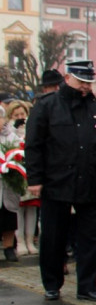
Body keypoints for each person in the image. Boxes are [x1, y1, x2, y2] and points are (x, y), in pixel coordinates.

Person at [24, 61, 96, 302]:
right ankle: (52, 283)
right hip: (57, 181)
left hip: (91, 183)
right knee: (53, 236)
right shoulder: (47, 106)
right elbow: (34, 145)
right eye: (80, 81)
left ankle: (87, 286)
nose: (85, 87)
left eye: (88, 82)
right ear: (67, 78)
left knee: (89, 239)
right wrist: (35, 178)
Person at [6, 100, 36, 256]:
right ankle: (20, 241)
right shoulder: (9, 132)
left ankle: (30, 240)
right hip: (15, 173)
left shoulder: (32, 128)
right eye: (16, 115)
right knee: (18, 208)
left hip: (29, 173)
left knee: (31, 208)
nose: (20, 117)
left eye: (22, 114)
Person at [0, 105, 21, 261]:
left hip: (8, 183)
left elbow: (18, 152)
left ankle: (9, 248)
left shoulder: (11, 136)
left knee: (9, 217)